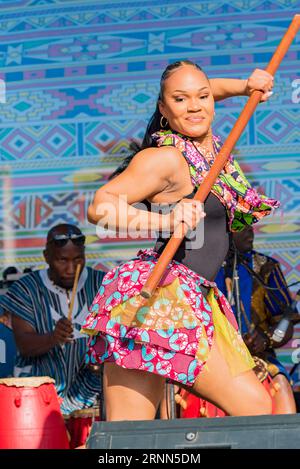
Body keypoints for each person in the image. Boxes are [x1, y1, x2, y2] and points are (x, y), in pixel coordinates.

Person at [82, 60, 279, 420]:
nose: (194, 106)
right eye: (180, 99)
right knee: (130, 441)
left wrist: (244, 85)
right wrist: (165, 218)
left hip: (194, 297)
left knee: (256, 407)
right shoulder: (168, 158)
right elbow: (100, 207)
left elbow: (200, 89)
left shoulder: (207, 154)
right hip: (155, 301)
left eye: (203, 97)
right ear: (163, 108)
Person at [0, 224, 106, 418]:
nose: (71, 268)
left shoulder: (102, 284)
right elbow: (24, 345)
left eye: (78, 259)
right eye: (62, 260)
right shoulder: (26, 289)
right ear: (46, 256)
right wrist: (53, 337)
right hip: (37, 394)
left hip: (91, 392)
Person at [216, 225, 297, 413]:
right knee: (170, 392)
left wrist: (266, 338)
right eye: (241, 226)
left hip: (258, 357)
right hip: (214, 358)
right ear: (224, 230)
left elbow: (285, 324)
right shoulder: (204, 269)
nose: (250, 231)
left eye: (250, 225)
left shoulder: (266, 267)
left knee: (281, 384)